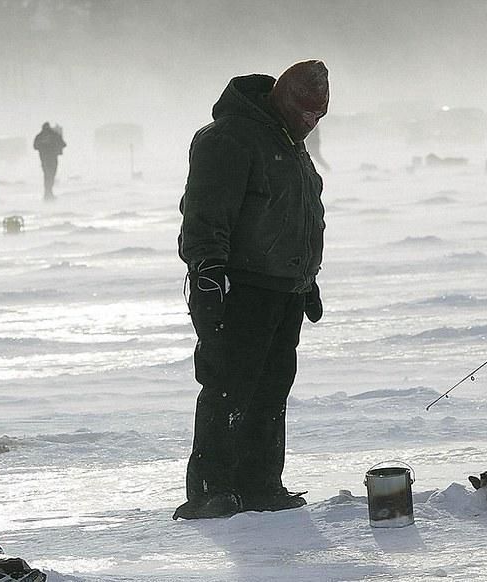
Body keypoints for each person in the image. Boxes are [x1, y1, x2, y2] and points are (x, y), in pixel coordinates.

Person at [173, 60, 329, 520]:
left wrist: (307, 278)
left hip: (285, 290)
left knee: (272, 390)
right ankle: (211, 489)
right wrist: (207, 271)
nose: (310, 122)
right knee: (228, 387)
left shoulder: (287, 141)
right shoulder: (229, 137)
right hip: (239, 288)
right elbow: (204, 211)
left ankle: (260, 484)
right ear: (283, 99)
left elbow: (295, 214)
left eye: (318, 116)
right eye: (305, 112)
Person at [33, 122, 66, 200]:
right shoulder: (54, 135)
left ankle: (47, 193)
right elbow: (63, 144)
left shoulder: (40, 136)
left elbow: (35, 146)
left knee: (46, 175)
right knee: (51, 175)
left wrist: (43, 145)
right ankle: (49, 192)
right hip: (53, 159)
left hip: (44, 160)